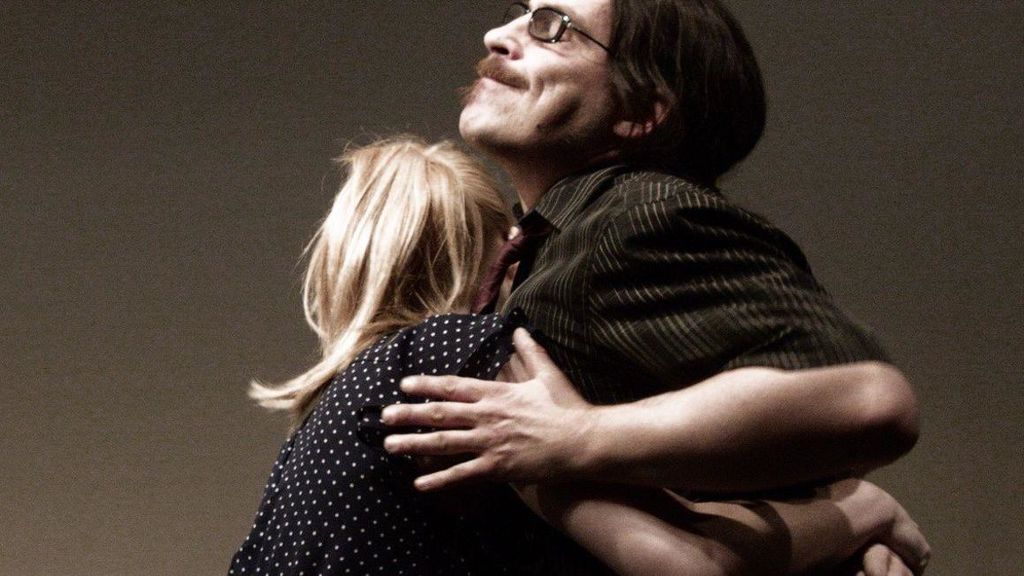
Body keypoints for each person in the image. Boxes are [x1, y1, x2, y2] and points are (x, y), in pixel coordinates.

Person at [379, 1, 930, 573]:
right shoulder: (546, 249)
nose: (497, 36)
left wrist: (579, 436)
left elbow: (871, 400)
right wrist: (838, 511)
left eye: (552, 27)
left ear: (640, 111)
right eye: (519, 11)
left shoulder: (636, 216)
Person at [228, 137, 927, 575]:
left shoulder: (318, 436)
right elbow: (686, 564)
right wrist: (860, 510)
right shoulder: (451, 359)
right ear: (500, 265)